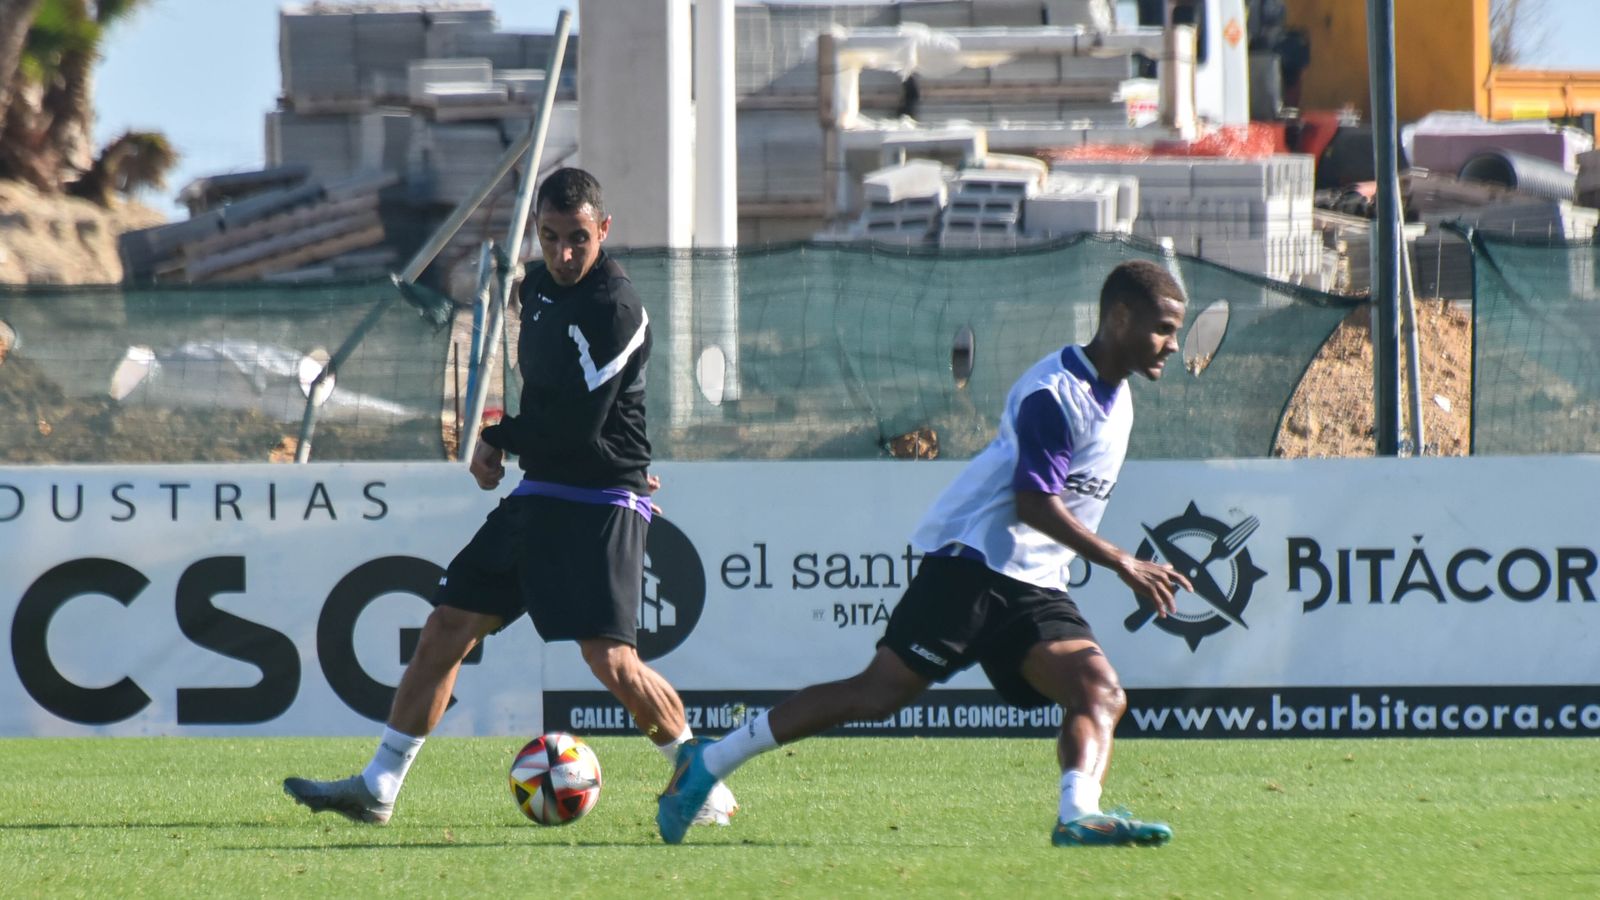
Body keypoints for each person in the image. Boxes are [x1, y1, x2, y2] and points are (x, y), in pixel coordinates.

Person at [655, 259, 1191, 846]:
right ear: (1119, 317)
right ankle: (709, 762)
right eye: (1163, 328)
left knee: (1099, 691)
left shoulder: (1120, 397)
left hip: (1037, 582)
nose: (1171, 343)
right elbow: (1034, 504)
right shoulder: (1056, 394)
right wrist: (1123, 562)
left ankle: (1077, 816)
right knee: (876, 695)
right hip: (973, 568)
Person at [285, 167, 736, 827]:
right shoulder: (535, 292)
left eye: (578, 238)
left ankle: (703, 782)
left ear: (603, 230)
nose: (563, 253)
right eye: (550, 238)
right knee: (446, 625)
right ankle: (380, 783)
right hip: (543, 491)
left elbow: (579, 422)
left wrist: (499, 435)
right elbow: (549, 402)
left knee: (610, 660)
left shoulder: (613, 306)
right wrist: (509, 441)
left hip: (599, 500)